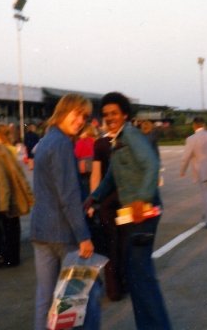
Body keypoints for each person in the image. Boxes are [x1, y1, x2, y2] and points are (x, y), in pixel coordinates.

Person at [86, 91, 171, 330]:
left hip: (142, 213)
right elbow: (112, 177)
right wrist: (94, 197)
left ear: (124, 114)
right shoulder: (117, 140)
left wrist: (141, 198)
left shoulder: (131, 135)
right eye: (105, 115)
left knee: (140, 275)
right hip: (132, 215)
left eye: (114, 113)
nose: (110, 118)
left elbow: (152, 165)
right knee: (137, 275)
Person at [30, 94, 100, 330]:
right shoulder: (61, 144)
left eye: (84, 117)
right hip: (63, 233)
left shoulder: (46, 140)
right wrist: (83, 236)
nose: (80, 120)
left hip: (41, 231)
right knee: (74, 300)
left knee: (45, 297)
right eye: (76, 114)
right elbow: (68, 196)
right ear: (63, 111)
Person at [0, 124, 33, 268]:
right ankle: (13, 257)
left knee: (0, 227)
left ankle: (3, 257)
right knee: (12, 227)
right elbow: (19, 174)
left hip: (1, 193)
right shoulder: (9, 149)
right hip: (14, 193)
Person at [90, 124, 125, 302]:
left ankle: (114, 290)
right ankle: (125, 283)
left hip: (107, 203)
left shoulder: (100, 144)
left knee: (110, 245)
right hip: (126, 201)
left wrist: (92, 200)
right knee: (125, 242)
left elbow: (96, 176)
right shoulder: (129, 141)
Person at [75, 123, 97, 199]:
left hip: (83, 168)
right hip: (93, 167)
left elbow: (76, 154)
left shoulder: (81, 141)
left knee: (85, 188)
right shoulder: (95, 141)